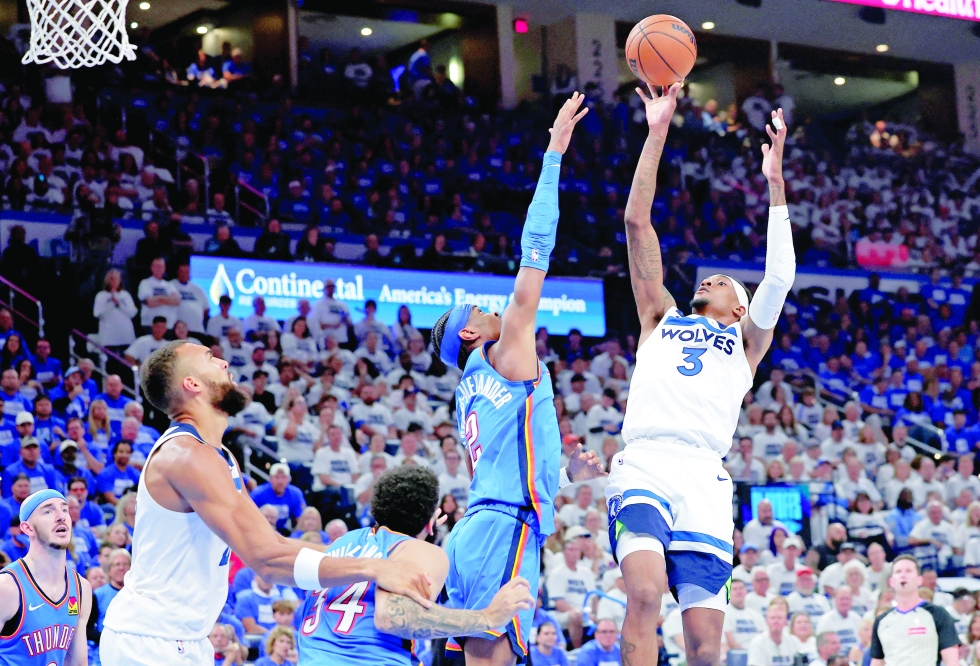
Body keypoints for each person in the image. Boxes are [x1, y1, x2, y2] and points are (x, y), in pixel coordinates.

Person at [98, 340, 441, 665]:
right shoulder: (186, 455)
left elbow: (273, 541)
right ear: (192, 383)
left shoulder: (218, 455)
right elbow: (266, 560)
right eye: (209, 358)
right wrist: (373, 567)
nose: (224, 362)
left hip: (185, 638)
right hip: (149, 638)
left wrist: (378, 553)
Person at [603, 91, 795, 666]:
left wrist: (775, 183)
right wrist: (656, 131)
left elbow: (779, 277)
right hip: (646, 461)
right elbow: (637, 222)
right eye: (709, 277)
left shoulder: (745, 343)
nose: (711, 277)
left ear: (741, 308)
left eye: (725, 282)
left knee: (706, 647)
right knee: (642, 593)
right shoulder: (660, 316)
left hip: (707, 479)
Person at [427, 93, 603, 666]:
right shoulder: (504, 351)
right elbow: (536, 249)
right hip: (503, 525)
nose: (485, 308)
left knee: (484, 654)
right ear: (473, 338)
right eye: (474, 313)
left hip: (486, 524)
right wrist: (554, 152)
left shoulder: (469, 390)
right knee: (492, 656)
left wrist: (567, 468)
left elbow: (508, 454)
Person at [295, 465, 534, 665]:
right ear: (429, 522)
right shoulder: (423, 552)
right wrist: (487, 617)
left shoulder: (340, 545)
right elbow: (392, 617)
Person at [0, 489, 92, 665]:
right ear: (28, 528)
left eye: (64, 509)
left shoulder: (82, 588)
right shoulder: (5, 588)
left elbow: (77, 662)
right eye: (48, 511)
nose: (61, 516)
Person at [871, 555, 960, 666]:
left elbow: (952, 661)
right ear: (891, 582)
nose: (903, 575)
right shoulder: (881, 621)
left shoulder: (937, 614)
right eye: (898, 572)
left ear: (919, 580)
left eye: (908, 571)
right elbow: (877, 662)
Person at [748, 602, 802, 666]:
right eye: (772, 618)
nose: (776, 621)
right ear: (767, 621)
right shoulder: (757, 642)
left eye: (779, 618)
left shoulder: (793, 641)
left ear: (785, 621)